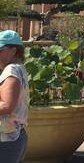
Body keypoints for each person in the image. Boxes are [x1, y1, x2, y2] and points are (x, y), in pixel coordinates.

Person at [0, 30, 29, 161]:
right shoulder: (19, 68)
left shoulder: (11, 70)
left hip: (7, 138)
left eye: (1, 50)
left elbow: (7, 105)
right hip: (14, 136)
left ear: (14, 50)